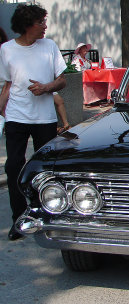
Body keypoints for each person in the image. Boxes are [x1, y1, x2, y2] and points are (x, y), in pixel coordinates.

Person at [0, 3, 67, 240]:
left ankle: (47, 213)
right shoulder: (6, 49)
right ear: (27, 25)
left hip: (45, 119)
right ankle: (20, 219)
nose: (45, 27)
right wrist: (1, 110)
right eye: (41, 22)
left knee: (46, 169)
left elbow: (62, 81)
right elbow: (8, 84)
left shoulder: (49, 46)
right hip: (17, 117)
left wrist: (47, 87)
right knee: (14, 166)